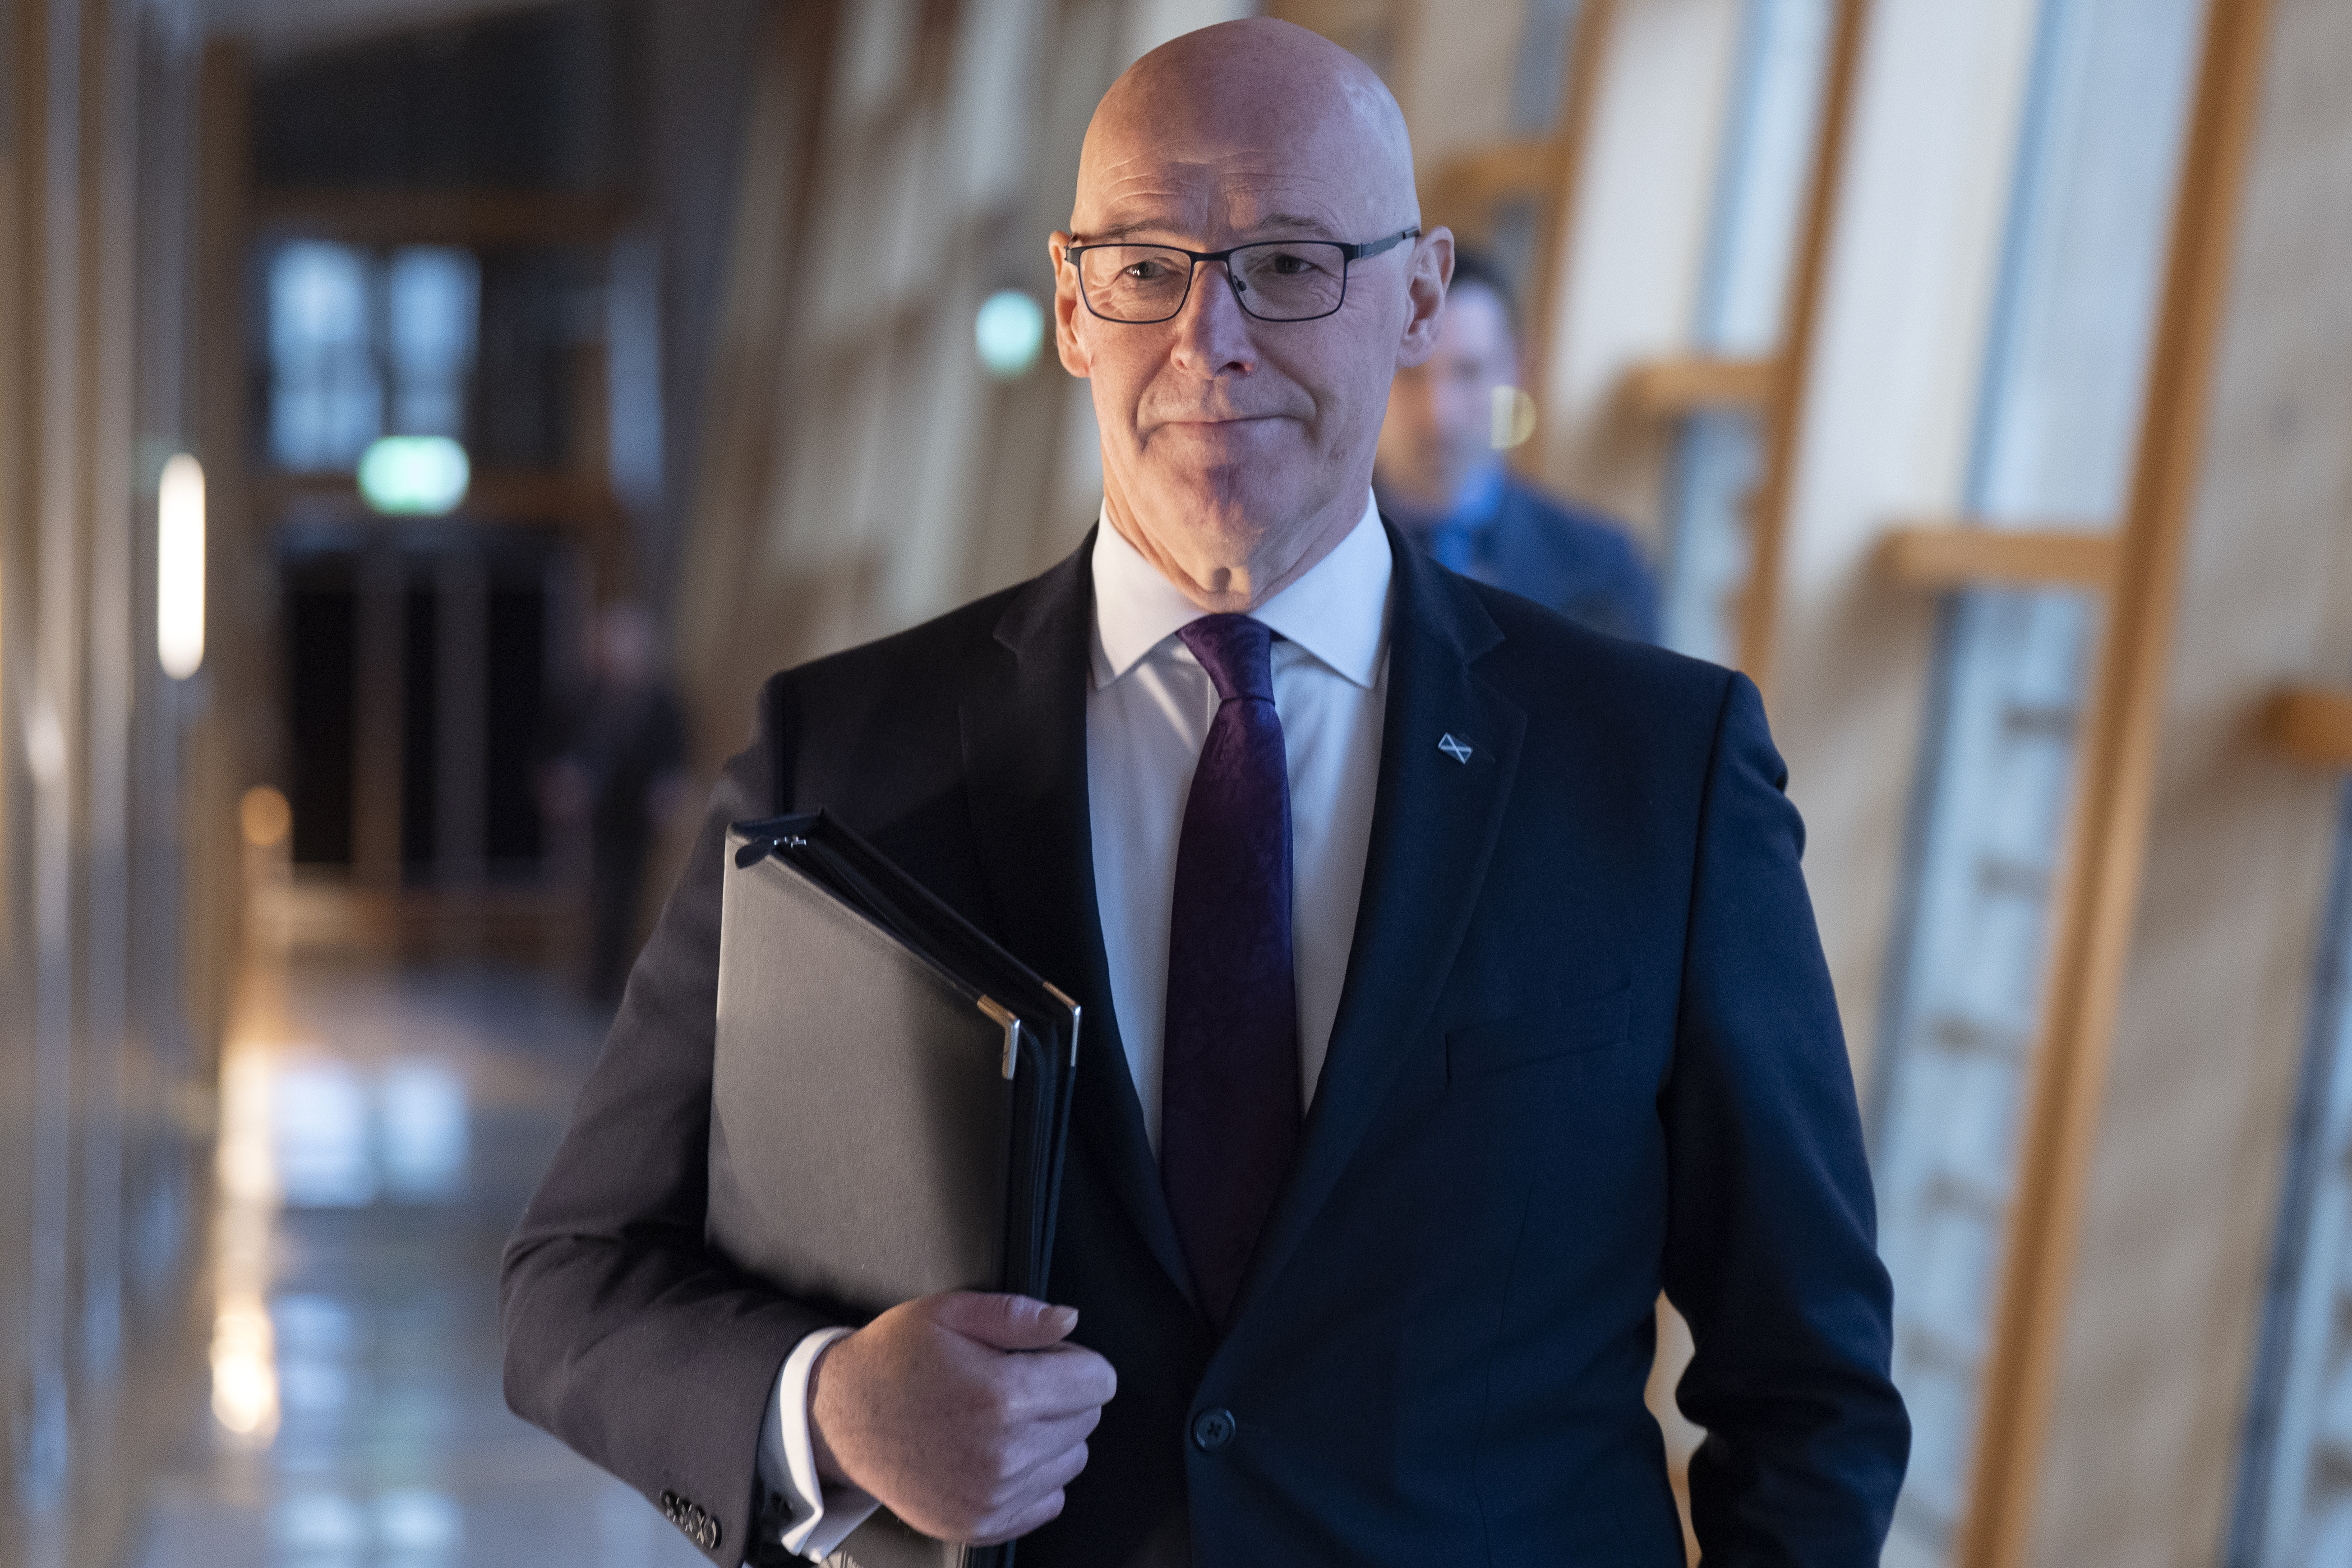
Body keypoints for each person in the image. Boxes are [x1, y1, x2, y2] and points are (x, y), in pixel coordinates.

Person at [501, 19, 1907, 1568]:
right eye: (1147, 268)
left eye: (1290, 264)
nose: (1207, 340)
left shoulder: (1654, 771)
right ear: (1067, 305)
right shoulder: (843, 756)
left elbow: (1807, 1384)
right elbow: (579, 1277)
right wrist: (825, 1403)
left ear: (1424, 293)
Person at [1374, 248, 1661, 641]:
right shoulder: (1308, 548)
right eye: (1410, 373)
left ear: (1519, 367)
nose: (1438, 414)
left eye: (1468, 372)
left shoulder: (1603, 571)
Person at [538, 600, 690, 1007]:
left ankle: (616, 982)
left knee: (626, 898)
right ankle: (592, 979)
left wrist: (667, 792)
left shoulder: (661, 702)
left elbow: (673, 759)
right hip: (594, 819)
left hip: (637, 819)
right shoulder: (587, 698)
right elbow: (563, 753)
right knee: (594, 896)